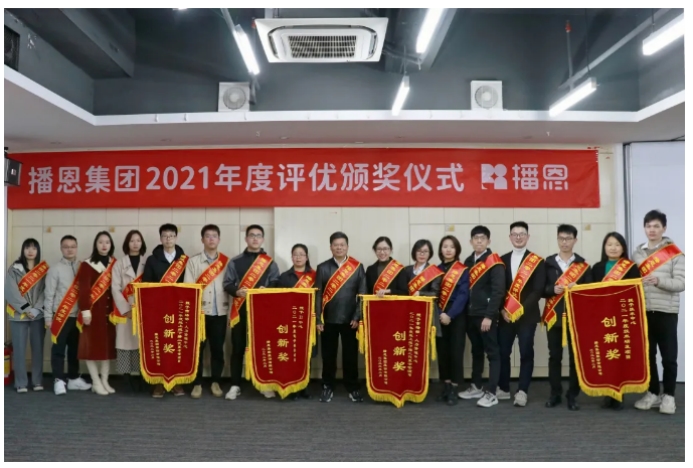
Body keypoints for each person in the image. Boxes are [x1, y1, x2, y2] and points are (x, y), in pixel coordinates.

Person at [632, 210, 685, 415]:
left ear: (664, 228)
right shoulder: (637, 254)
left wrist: (659, 281)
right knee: (648, 355)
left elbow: (681, 283)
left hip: (666, 311)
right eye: (648, 226)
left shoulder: (675, 254)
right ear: (644, 228)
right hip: (643, 311)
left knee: (669, 356)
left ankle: (669, 395)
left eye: (656, 226)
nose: (652, 230)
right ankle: (653, 392)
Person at [222, 224, 280, 400]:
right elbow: (227, 283)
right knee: (238, 348)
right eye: (252, 235)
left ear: (263, 239)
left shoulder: (270, 263)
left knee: (261, 347)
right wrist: (236, 291)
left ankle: (263, 384)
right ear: (246, 238)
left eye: (258, 235)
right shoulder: (235, 261)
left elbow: (276, 283)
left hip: (262, 312)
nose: (255, 238)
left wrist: (267, 289)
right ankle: (235, 385)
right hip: (240, 310)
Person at [543, 224, 592, 411]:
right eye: (561, 238)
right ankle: (555, 393)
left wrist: (578, 288)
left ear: (575, 240)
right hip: (554, 316)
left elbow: (590, 291)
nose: (564, 242)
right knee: (554, 357)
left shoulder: (582, 265)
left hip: (576, 317)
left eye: (568, 238)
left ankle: (572, 395)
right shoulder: (548, 263)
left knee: (575, 358)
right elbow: (540, 289)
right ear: (557, 239)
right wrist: (551, 289)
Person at [591, 231, 641, 411]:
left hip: (621, 318)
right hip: (602, 318)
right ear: (604, 247)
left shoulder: (631, 268)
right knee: (606, 356)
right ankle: (607, 393)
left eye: (617, 245)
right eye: (609, 244)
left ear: (623, 248)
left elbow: (634, 293)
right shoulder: (597, 268)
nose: (613, 248)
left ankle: (619, 394)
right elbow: (590, 293)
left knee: (620, 357)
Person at [314, 232, 367, 403]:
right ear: (330, 247)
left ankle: (352, 386)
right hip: (328, 319)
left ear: (347, 247)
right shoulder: (322, 267)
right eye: (335, 245)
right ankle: (327, 386)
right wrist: (318, 319)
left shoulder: (357, 267)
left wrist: (357, 316)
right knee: (328, 355)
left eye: (342, 245)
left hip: (350, 320)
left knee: (350, 356)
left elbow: (362, 294)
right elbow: (318, 295)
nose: (339, 247)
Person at [497, 222, 545, 408]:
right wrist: (502, 309)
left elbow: (538, 290)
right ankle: (503, 387)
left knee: (526, 353)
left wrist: (521, 309)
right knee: (503, 352)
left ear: (528, 237)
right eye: (514, 234)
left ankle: (522, 391)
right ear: (510, 237)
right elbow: (499, 289)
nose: (518, 237)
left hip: (527, 316)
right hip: (506, 315)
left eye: (522, 234)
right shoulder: (502, 260)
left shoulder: (537, 261)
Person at [458, 226, 505, 408]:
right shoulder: (468, 261)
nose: (479, 241)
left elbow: (498, 291)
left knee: (492, 353)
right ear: (471, 241)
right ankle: (476, 386)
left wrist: (489, 316)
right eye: (475, 238)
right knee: (476, 351)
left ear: (488, 241)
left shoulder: (494, 262)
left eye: (482, 238)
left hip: (486, 316)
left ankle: (492, 393)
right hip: (470, 315)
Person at [143, 223, 189, 398]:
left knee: (178, 346)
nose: (168, 239)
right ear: (160, 238)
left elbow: (188, 285)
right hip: (158, 310)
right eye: (165, 236)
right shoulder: (152, 260)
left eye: (171, 236)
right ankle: (159, 383)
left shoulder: (184, 260)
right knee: (159, 345)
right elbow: (147, 284)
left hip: (179, 310)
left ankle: (176, 382)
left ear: (176, 238)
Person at [184, 224, 230, 399]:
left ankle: (215, 381)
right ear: (202, 239)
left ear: (219, 239)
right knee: (197, 350)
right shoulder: (193, 262)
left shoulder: (227, 262)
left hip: (220, 313)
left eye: (214, 236)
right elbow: (189, 290)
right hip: (200, 313)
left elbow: (231, 287)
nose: (211, 239)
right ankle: (197, 383)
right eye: (208, 236)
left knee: (218, 349)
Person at [44, 235, 92, 395]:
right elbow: (49, 295)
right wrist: (48, 317)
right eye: (66, 247)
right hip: (61, 316)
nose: (70, 249)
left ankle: (73, 378)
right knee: (58, 349)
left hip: (77, 318)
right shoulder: (55, 269)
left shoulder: (82, 267)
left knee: (74, 349)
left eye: (72, 246)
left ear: (76, 248)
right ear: (61, 249)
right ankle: (58, 380)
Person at [274, 243, 318, 400]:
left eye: (301, 254)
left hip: (308, 321)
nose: (298, 257)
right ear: (291, 257)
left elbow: (319, 298)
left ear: (307, 257)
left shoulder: (315, 276)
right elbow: (278, 300)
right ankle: (292, 387)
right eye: (295, 254)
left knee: (306, 355)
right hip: (290, 321)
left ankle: (304, 387)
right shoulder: (285, 277)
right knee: (291, 354)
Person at [4, 238, 48, 392]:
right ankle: (21, 383)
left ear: (38, 251)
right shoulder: (14, 269)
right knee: (19, 349)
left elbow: (46, 291)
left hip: (38, 315)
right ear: (23, 250)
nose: (30, 251)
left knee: (38, 349)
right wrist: (26, 308)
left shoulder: (43, 270)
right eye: (27, 248)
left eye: (34, 248)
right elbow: (10, 291)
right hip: (18, 315)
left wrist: (36, 309)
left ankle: (37, 381)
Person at [77, 231, 117, 396]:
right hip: (93, 313)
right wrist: (85, 311)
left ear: (111, 245)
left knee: (106, 348)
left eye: (107, 242)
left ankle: (105, 380)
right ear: (95, 244)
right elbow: (84, 290)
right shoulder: (87, 265)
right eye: (100, 242)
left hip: (109, 313)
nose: (104, 245)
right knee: (92, 349)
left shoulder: (114, 263)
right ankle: (95, 381)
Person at [435, 235, 470, 406]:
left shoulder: (462, 270)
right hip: (439, 314)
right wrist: (440, 313)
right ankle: (446, 385)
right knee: (442, 351)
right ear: (440, 250)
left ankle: (454, 388)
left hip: (457, 315)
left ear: (457, 250)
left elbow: (463, 295)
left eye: (452, 246)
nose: (448, 249)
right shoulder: (435, 270)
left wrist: (450, 314)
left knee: (456, 351)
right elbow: (433, 294)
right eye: (445, 246)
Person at [111, 230, 148, 392]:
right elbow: (115, 288)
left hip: (143, 311)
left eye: (138, 240)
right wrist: (126, 310)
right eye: (132, 240)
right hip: (124, 312)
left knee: (142, 345)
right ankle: (126, 379)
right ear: (127, 243)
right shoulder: (119, 263)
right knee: (124, 343)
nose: (135, 243)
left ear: (142, 243)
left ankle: (142, 377)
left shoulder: (148, 262)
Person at [403, 239, 443, 330]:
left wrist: (420, 293)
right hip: (409, 311)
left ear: (430, 254)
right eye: (419, 251)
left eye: (425, 251)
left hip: (426, 311)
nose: (422, 254)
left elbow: (435, 294)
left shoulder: (434, 272)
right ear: (414, 252)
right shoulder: (407, 270)